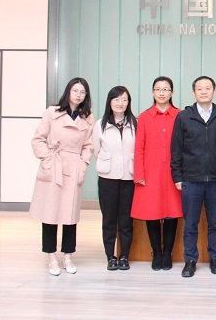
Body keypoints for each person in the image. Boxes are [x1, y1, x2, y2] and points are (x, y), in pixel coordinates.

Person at [30, 77, 94, 276]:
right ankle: (51, 258)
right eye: (75, 91)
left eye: (82, 92)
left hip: (73, 167)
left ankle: (68, 257)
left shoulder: (87, 117)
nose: (78, 95)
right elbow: (38, 139)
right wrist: (48, 158)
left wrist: (83, 164)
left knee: (70, 215)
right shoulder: (52, 112)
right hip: (54, 165)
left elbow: (88, 145)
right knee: (50, 214)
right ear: (68, 91)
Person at [170, 76, 216, 278]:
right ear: (193, 93)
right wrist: (177, 176)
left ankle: (215, 258)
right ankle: (190, 260)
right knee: (190, 224)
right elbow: (176, 149)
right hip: (191, 180)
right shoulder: (184, 117)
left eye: (207, 88)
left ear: (214, 92)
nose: (204, 91)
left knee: (215, 223)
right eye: (199, 89)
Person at [131, 76, 182, 271]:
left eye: (166, 89)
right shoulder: (144, 116)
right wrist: (139, 174)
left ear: (172, 92)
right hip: (150, 173)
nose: (162, 93)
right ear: (153, 92)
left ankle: (167, 253)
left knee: (171, 214)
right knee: (151, 214)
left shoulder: (179, 115)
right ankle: (156, 252)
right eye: (158, 89)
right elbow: (139, 148)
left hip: (173, 173)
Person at [93, 85, 137, 271]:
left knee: (126, 219)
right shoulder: (100, 124)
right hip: (107, 178)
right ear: (109, 102)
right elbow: (96, 150)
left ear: (128, 103)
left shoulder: (135, 123)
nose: (120, 103)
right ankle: (110, 256)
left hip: (129, 177)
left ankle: (124, 255)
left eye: (124, 100)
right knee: (109, 219)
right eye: (116, 99)